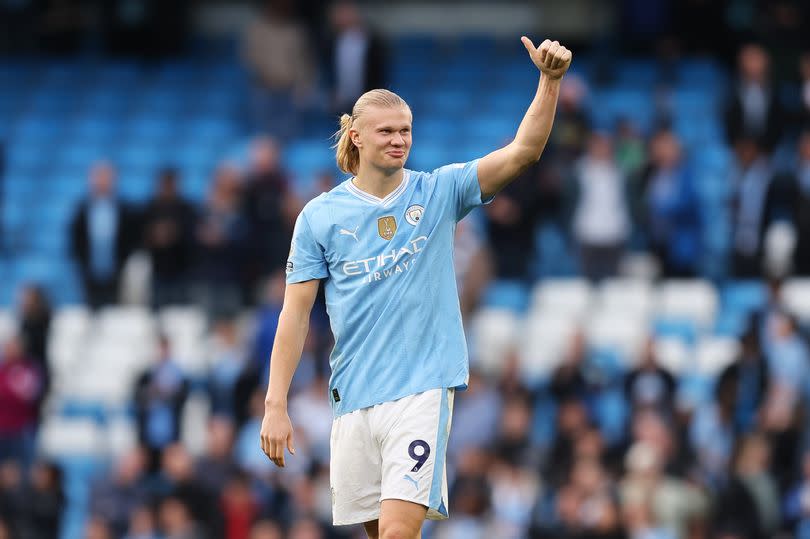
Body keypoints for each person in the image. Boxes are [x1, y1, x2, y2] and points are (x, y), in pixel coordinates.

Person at [260, 37, 572, 537]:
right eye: (386, 131)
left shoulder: (439, 191)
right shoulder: (319, 217)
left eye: (405, 130)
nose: (398, 140)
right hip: (354, 397)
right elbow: (294, 315)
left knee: (399, 532)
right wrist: (276, 404)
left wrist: (549, 81)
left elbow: (523, 152)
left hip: (421, 390)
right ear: (357, 137)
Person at [69, 161, 138, 309]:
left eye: (106, 177)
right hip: (90, 273)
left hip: (118, 272)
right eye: (98, 177)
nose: (102, 181)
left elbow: (131, 238)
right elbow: (76, 239)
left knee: (115, 314)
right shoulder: (82, 209)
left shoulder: (124, 209)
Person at [142, 168, 195, 309]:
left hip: (182, 272)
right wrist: (155, 236)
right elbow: (142, 237)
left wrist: (174, 234)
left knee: (180, 316)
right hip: (158, 271)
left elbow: (192, 237)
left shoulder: (186, 209)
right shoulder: (151, 208)